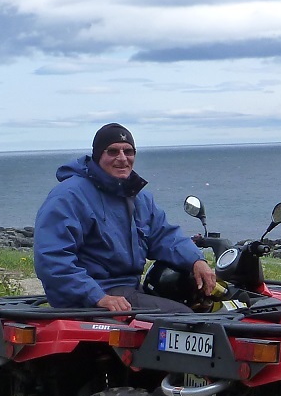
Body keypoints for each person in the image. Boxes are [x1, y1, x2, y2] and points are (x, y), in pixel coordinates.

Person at [33, 122, 216, 313]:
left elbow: (165, 236)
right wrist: (97, 297)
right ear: (97, 156)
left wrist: (197, 261)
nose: (122, 158)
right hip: (89, 297)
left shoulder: (138, 197)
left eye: (128, 151)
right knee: (186, 319)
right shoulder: (69, 196)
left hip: (127, 291)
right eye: (112, 151)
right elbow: (52, 259)